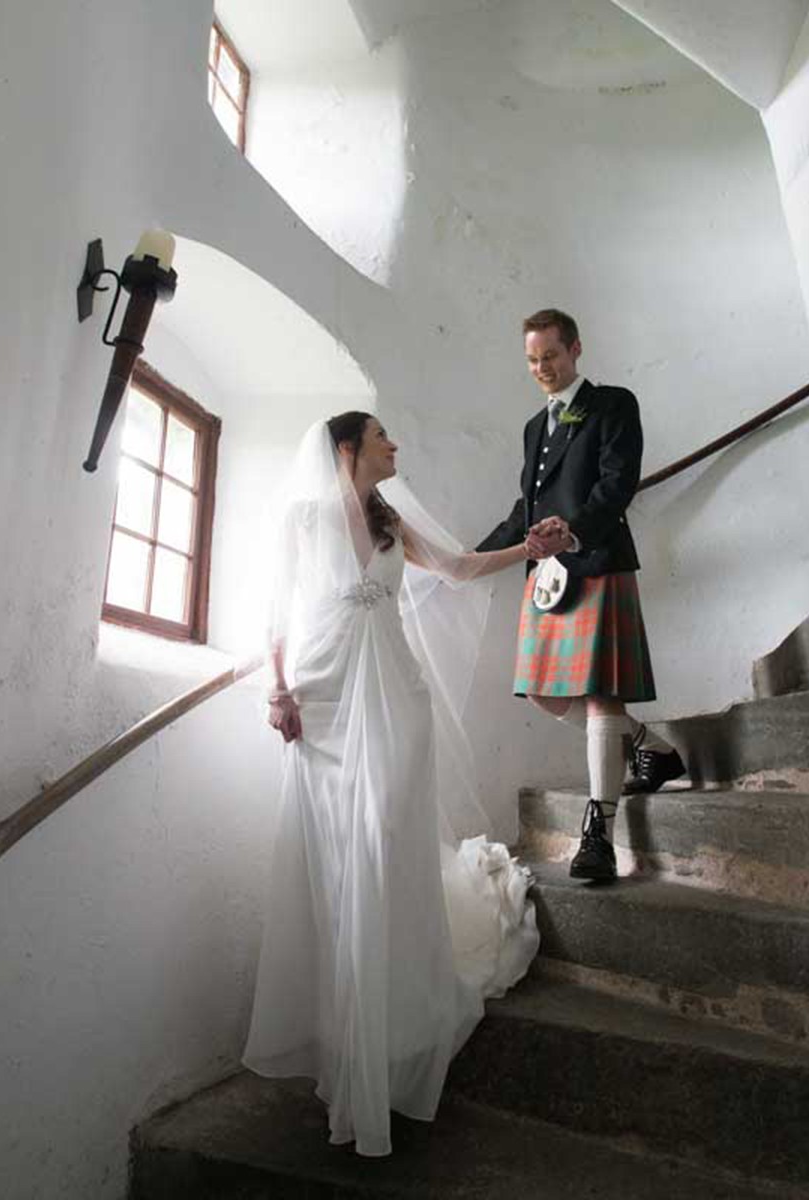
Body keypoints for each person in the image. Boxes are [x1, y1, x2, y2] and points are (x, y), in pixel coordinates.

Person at [242, 411, 540, 1158]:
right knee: (340, 864)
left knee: (385, 844)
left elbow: (459, 568)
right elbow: (273, 608)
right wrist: (276, 690)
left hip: (398, 698)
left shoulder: (389, 521)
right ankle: (354, 1045)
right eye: (382, 437)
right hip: (325, 698)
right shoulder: (304, 519)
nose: (394, 445)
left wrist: (526, 549)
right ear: (347, 449)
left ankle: (391, 1033)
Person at [477, 309, 685, 882]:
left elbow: (618, 482)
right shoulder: (532, 427)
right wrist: (475, 558)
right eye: (532, 359)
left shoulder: (613, 403)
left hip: (595, 561)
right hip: (548, 578)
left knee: (599, 698)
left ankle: (600, 833)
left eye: (551, 355)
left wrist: (573, 530)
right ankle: (653, 747)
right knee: (542, 692)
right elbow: (525, 510)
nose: (542, 368)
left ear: (575, 350)